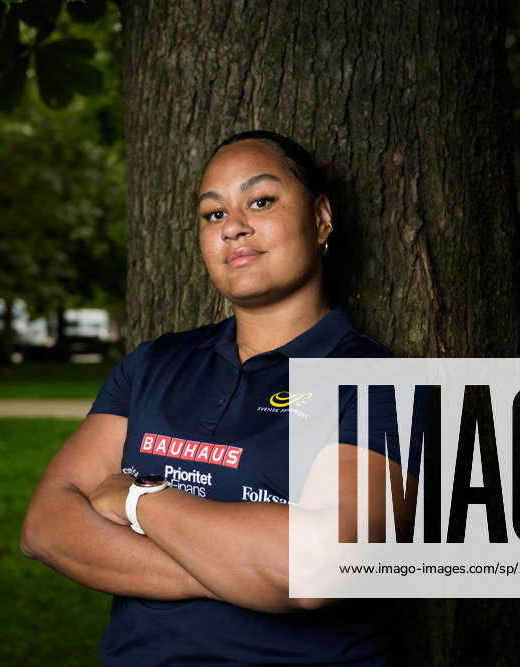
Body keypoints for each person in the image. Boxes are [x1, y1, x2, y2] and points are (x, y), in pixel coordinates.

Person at [20, 130, 409, 665]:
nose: (234, 228)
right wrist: (238, 573)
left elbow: (316, 569)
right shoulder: (154, 364)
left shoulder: (373, 378)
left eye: (261, 201)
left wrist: (138, 500)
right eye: (213, 214)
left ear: (321, 217)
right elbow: (46, 527)